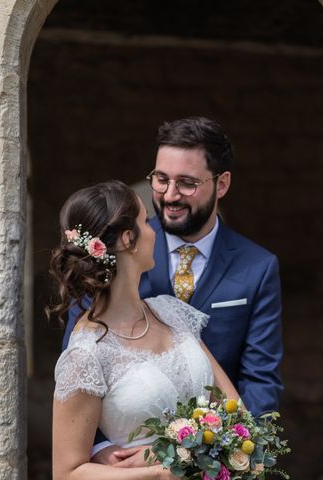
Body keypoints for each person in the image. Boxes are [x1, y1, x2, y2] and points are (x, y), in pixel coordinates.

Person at [63, 117, 284, 465]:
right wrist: (102, 451)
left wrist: (239, 458)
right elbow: (78, 376)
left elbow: (260, 380)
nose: (169, 195)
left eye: (187, 183)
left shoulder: (258, 267)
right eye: (161, 179)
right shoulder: (116, 248)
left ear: (221, 184)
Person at [50, 180, 239, 480]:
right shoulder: (86, 353)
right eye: (144, 221)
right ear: (128, 239)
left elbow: (236, 415)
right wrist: (159, 473)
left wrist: (171, 450)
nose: (155, 229)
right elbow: (67, 473)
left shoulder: (172, 312)